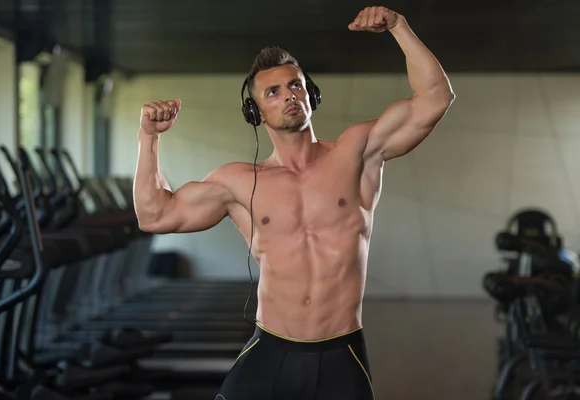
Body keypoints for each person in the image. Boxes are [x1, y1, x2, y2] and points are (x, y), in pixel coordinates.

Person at [133, 5, 455, 400]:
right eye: (274, 92)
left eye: (296, 85)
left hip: (341, 355)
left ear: (311, 93)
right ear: (255, 112)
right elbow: (154, 215)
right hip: (270, 352)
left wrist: (399, 27)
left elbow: (436, 98)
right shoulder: (239, 181)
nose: (289, 95)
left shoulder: (357, 153)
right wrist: (149, 138)